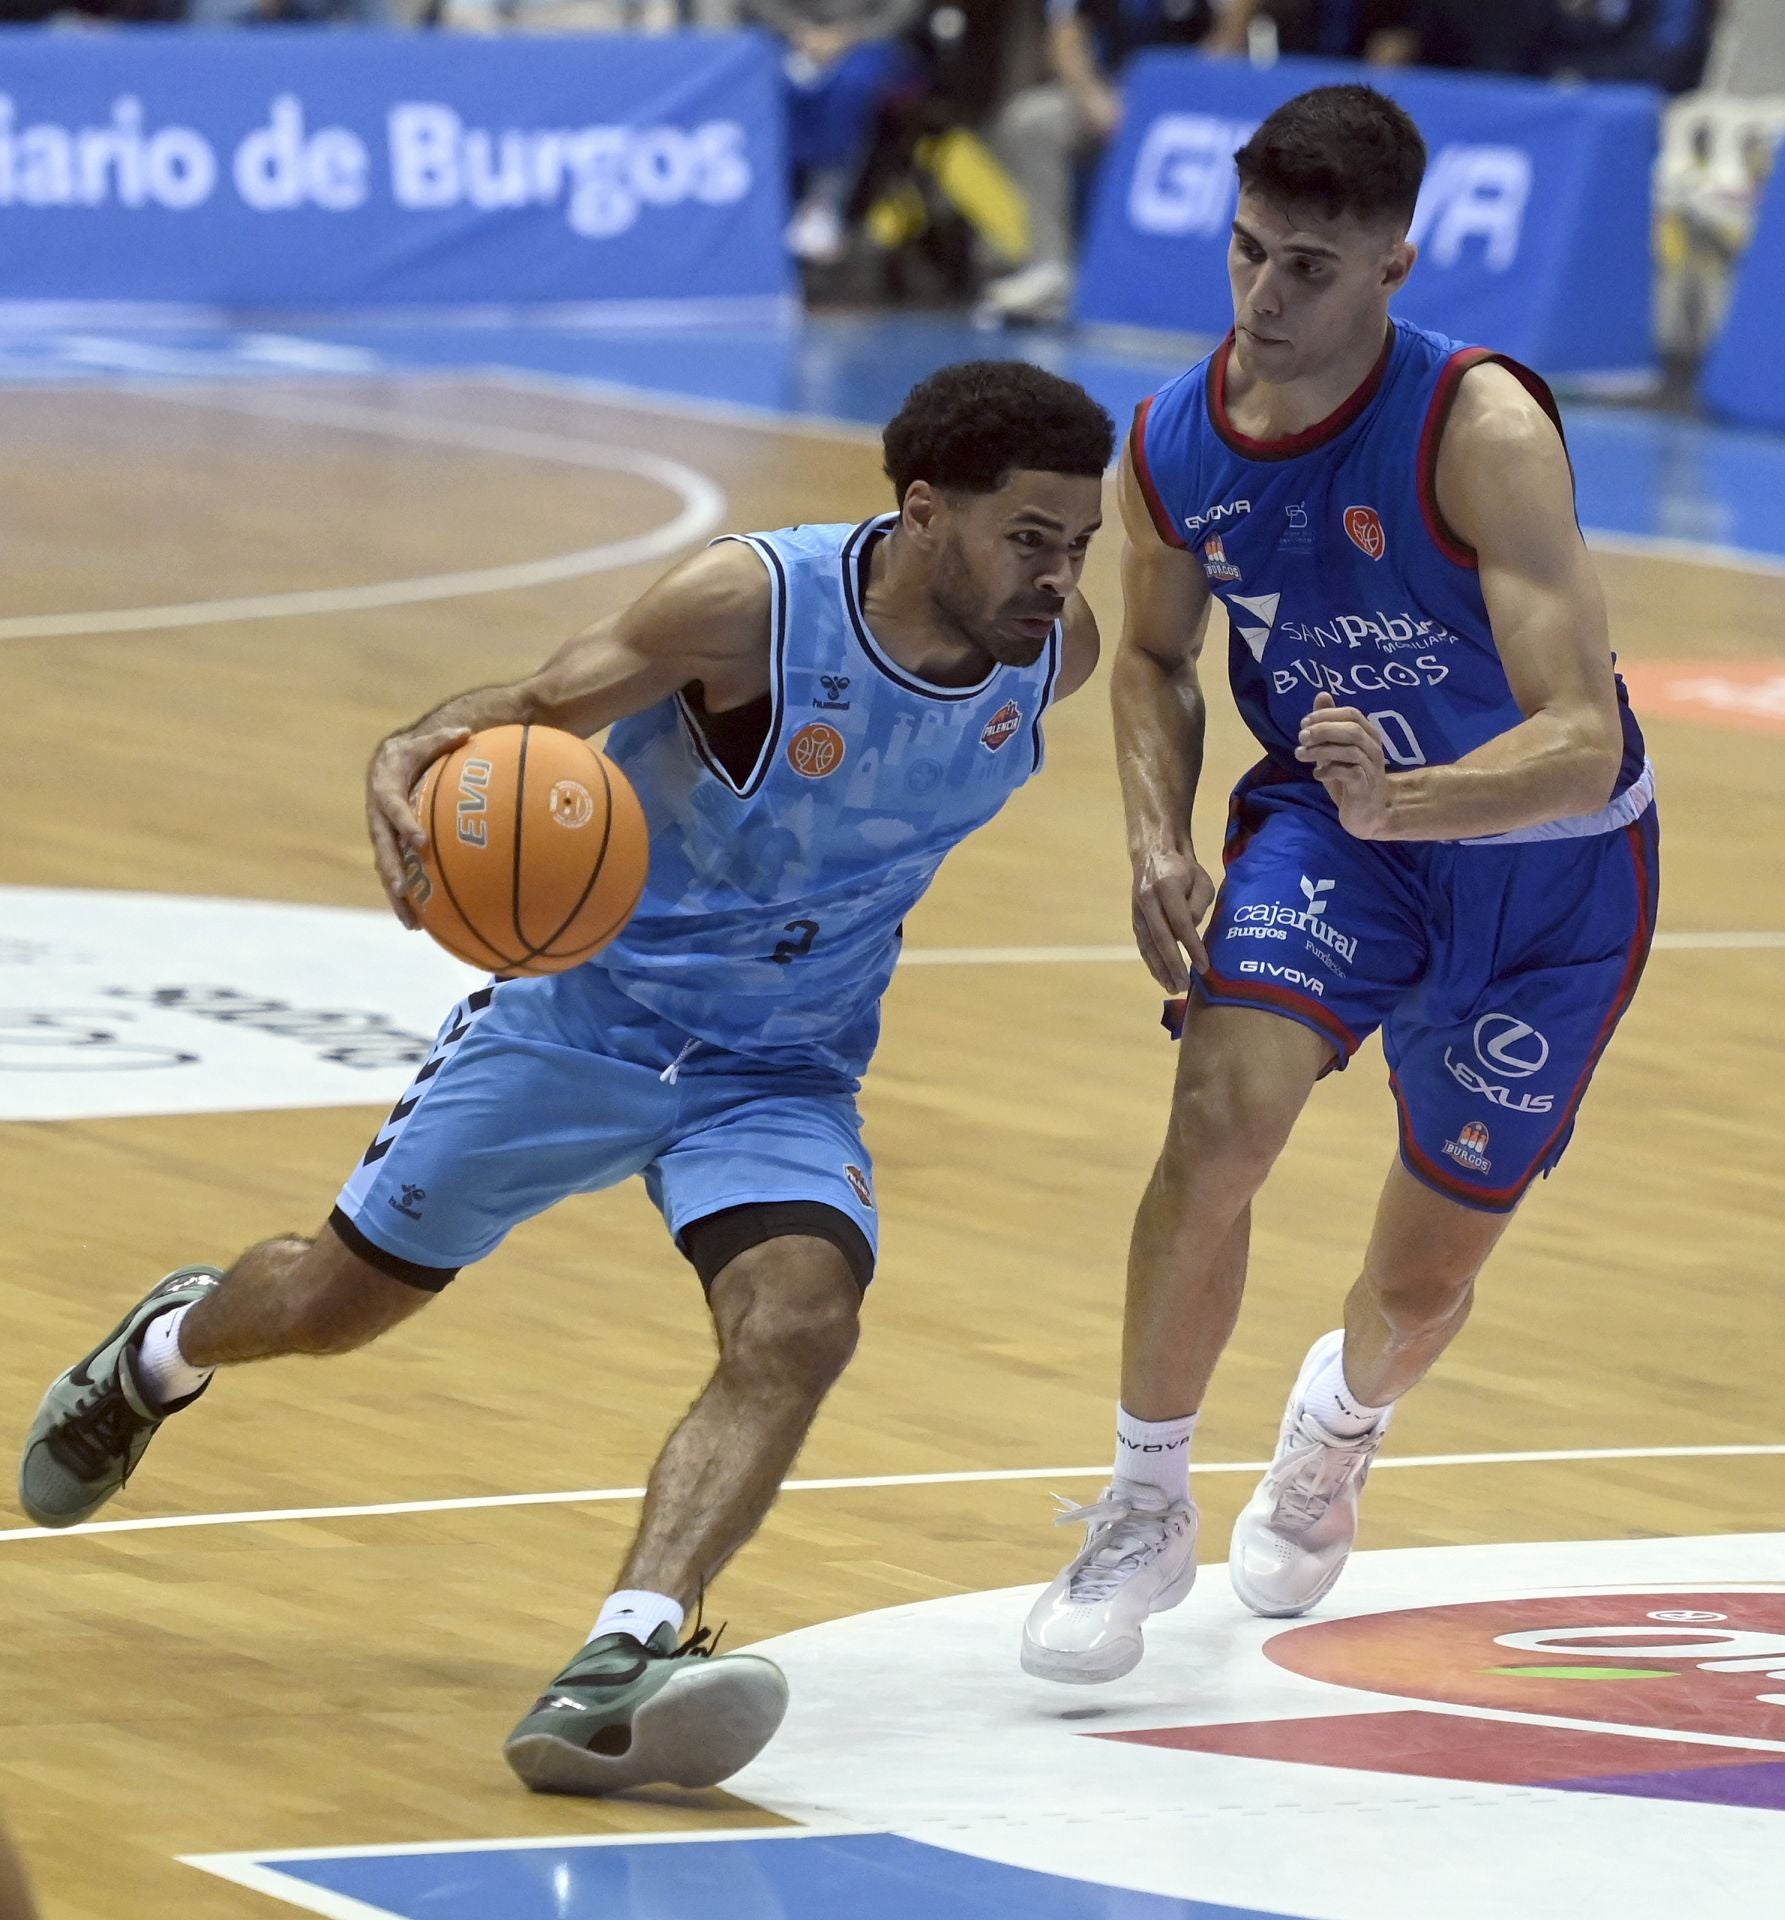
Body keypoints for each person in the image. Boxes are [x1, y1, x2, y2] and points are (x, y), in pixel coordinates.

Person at [20, 359, 1116, 1790]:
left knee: (800, 1323)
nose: (1059, 575)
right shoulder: (747, 608)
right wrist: (419, 745)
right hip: (578, 1021)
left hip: (778, 1067)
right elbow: (538, 704)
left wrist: (1164, 847)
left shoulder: (1057, 653)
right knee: (328, 1309)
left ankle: (627, 1653)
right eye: (1031, 538)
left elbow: (1152, 687)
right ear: (922, 513)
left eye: (1079, 543)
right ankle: (162, 1350)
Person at [1021, 84, 1657, 1683]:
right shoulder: (1171, 441)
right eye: (1243, 253)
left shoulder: (1482, 428)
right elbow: (1155, 661)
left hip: (1550, 872)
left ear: (1393, 265)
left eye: (1307, 266)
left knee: (1420, 1277)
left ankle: (1336, 1423)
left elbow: (1581, 741)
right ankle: (1142, 1501)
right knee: (1217, 1120)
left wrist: (1423, 794)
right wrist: (1159, 838)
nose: (1262, 297)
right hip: (1332, 833)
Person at [977, 0, 1243, 328]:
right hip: (1118, 100)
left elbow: (1232, 29)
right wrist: (1095, 98)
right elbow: (1066, 34)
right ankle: (1052, 270)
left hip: (1196, 101)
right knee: (1031, 120)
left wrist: (1174, 94)